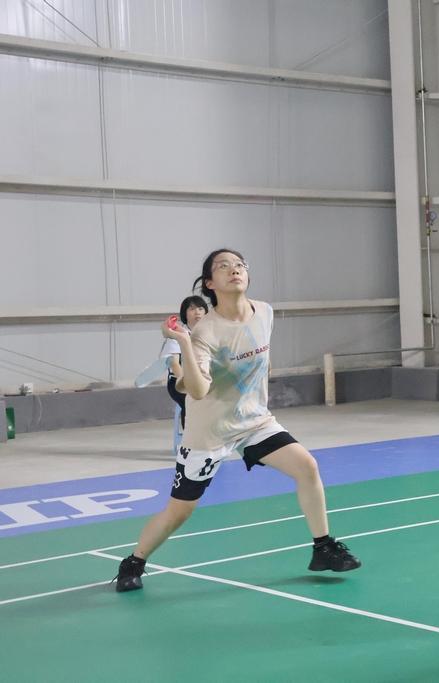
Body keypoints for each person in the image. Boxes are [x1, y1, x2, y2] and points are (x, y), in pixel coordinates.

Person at [115, 249, 360, 591]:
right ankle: (134, 562)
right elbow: (198, 390)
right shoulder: (206, 332)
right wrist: (184, 340)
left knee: (307, 467)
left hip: (255, 422)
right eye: (223, 266)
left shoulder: (265, 312)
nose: (234, 270)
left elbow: (262, 360)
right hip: (210, 431)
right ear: (209, 283)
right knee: (180, 511)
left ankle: (323, 547)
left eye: (239, 265)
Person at [160, 296, 209, 454]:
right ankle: (190, 446)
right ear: (185, 314)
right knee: (191, 401)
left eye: (200, 308)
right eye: (192, 309)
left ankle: (211, 442)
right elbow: (174, 363)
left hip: (204, 381)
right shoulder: (178, 335)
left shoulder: (209, 334)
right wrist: (186, 383)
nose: (197, 312)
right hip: (179, 382)